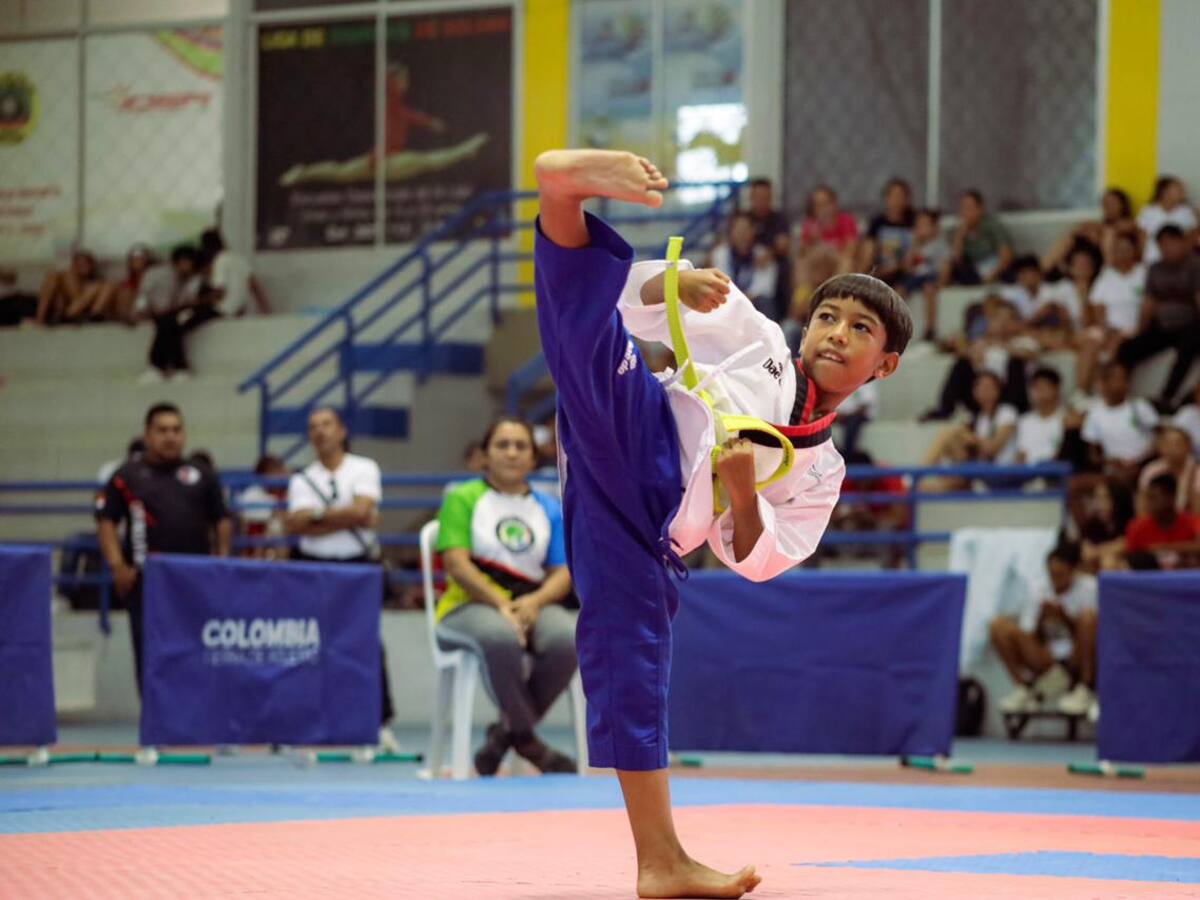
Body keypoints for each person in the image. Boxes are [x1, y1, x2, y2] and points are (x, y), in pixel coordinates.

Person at [532, 148, 909, 898]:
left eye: (859, 328)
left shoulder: (824, 472)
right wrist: (676, 281)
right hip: (640, 429)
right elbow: (638, 303)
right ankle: (562, 194)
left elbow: (761, 560)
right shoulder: (761, 341)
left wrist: (743, 496)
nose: (835, 332)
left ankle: (660, 860)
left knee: (634, 660)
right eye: (828, 315)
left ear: (884, 365)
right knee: (590, 341)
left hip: (649, 531)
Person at [435, 416, 578, 775]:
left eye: (521, 446)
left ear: (533, 458)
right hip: (469, 605)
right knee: (500, 639)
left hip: (532, 604)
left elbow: (563, 572)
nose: (512, 453)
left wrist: (533, 603)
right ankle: (528, 741)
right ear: (484, 455)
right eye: (502, 445)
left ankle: (506, 734)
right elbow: (456, 563)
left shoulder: (548, 508)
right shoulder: (463, 498)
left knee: (570, 639)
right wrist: (501, 605)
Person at [94, 403, 232, 694]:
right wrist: (118, 566)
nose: (170, 437)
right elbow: (106, 521)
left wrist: (222, 563)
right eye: (162, 430)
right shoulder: (126, 476)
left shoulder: (201, 474)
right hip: (146, 583)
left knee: (198, 653)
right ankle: (154, 727)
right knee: (149, 655)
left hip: (196, 582)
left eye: (176, 430)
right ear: (147, 434)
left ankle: (197, 722)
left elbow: (221, 520)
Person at [285, 407, 400, 752]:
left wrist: (318, 518)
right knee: (312, 644)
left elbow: (364, 510)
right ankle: (313, 722)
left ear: (341, 430)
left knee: (367, 643)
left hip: (358, 565)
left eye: (326, 425)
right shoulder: (302, 478)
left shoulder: (364, 468)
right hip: (312, 567)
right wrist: (347, 516)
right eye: (313, 427)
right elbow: (297, 524)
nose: (320, 432)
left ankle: (380, 722)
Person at [990, 542, 1098, 717]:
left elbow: (1093, 634)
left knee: (1087, 618)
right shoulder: (1038, 589)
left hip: (1077, 658)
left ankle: (1085, 687)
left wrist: (1065, 618)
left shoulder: (1090, 588)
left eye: (1060, 575)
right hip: (1047, 660)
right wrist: (1042, 619)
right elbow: (1028, 636)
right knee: (998, 625)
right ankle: (1023, 688)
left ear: (1073, 571)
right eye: (1051, 575)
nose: (1054, 580)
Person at [1117, 225, 1200, 410]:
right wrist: (1139, 331)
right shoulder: (1155, 269)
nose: (1167, 249)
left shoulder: (1195, 265)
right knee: (1127, 349)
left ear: (1182, 242)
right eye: (1162, 246)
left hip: (1190, 326)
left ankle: (1167, 396)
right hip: (1162, 326)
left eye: (1171, 244)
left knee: (1189, 343)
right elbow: (1148, 304)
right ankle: (1120, 395)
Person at [1077, 230, 1145, 397]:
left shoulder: (1143, 273)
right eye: (1118, 249)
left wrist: (1126, 332)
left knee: (1115, 346)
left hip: (1133, 327)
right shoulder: (1106, 275)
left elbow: (1148, 307)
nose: (1122, 253)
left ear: (1135, 251)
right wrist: (1106, 327)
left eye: (1126, 249)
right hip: (1108, 326)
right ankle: (1081, 394)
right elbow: (1097, 306)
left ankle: (1106, 395)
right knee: (1089, 343)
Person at [135, 245, 204, 383]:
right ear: (177, 262)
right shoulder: (162, 276)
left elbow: (188, 301)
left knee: (175, 323)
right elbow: (160, 308)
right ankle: (160, 366)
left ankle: (170, 367)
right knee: (168, 323)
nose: (188, 267)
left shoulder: (191, 279)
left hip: (172, 313)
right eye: (185, 262)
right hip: (150, 311)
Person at [1080, 362, 1158, 478]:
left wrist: (1139, 462)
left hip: (1144, 467)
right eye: (1116, 379)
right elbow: (1093, 455)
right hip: (1114, 472)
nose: (1122, 383)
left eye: (1124, 379)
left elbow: (1159, 440)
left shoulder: (1140, 406)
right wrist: (1110, 462)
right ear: (1103, 383)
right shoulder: (1094, 414)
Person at [1124, 473, 1200, 570]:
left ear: (1170, 498)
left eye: (1153, 498)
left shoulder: (1191, 521)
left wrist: (1163, 548)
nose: (1148, 503)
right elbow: (1129, 560)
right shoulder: (1137, 527)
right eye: (1147, 498)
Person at [710, 212, 777, 318]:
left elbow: (765, 289)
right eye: (738, 230)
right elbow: (719, 283)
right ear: (731, 232)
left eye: (746, 230)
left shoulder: (764, 255)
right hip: (727, 301)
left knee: (765, 302)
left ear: (753, 232)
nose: (742, 235)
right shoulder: (720, 254)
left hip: (755, 305)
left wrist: (745, 298)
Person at [902, 208, 949, 342]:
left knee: (929, 289)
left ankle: (930, 328)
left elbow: (946, 264)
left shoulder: (940, 244)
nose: (921, 229)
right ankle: (895, 324)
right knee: (899, 290)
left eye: (925, 225)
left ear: (935, 228)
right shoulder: (914, 245)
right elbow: (907, 267)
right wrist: (914, 248)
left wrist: (942, 280)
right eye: (919, 225)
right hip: (915, 277)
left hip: (931, 275)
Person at [947, 189, 1013, 285]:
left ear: (981, 208)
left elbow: (1006, 255)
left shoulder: (992, 226)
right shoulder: (958, 230)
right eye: (963, 208)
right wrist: (959, 237)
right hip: (975, 272)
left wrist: (993, 276)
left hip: (996, 270)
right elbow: (957, 261)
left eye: (969, 208)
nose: (965, 213)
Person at [861, 178, 915, 287]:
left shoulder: (913, 221)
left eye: (900, 196)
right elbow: (869, 250)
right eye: (893, 196)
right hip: (882, 270)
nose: (897, 201)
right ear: (886, 198)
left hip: (905, 271)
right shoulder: (877, 223)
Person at [1136, 426, 1200, 515]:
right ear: (1159, 447)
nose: (1172, 448)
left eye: (1177, 444)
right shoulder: (1151, 470)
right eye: (1168, 444)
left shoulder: (1197, 471)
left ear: (1188, 446)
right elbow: (1142, 503)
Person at [237, 454, 289, 560]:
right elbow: (254, 522)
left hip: (281, 540)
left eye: (280, 470)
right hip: (257, 541)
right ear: (262, 474)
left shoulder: (288, 492)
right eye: (273, 471)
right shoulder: (251, 493)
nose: (279, 475)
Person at [1136, 176, 1197, 265]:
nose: (1183, 193)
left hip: (1179, 261)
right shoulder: (1149, 211)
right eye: (1179, 189)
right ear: (1165, 192)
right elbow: (1141, 237)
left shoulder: (1186, 212)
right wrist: (1143, 257)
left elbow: (1192, 236)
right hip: (1152, 259)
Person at [35, 250, 105, 325]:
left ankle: (43, 318)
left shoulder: (96, 283)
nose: (82, 266)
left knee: (63, 276)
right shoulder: (65, 279)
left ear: (91, 265)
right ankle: (40, 317)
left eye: (85, 264)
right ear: (74, 266)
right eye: (79, 264)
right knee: (53, 276)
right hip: (63, 307)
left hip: (78, 309)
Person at [1015, 367, 1065, 466]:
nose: (1039, 393)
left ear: (1056, 389)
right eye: (1036, 388)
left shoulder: (1066, 420)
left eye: (1044, 387)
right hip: (1027, 474)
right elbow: (1021, 453)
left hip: (1054, 474)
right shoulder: (1024, 420)